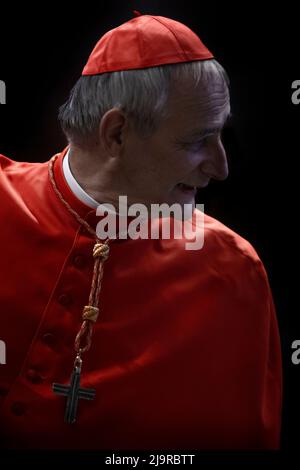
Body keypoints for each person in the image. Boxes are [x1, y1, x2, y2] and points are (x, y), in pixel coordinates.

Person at [0, 12, 282, 450]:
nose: (221, 167)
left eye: (221, 135)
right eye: (196, 141)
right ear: (116, 134)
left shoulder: (231, 272)